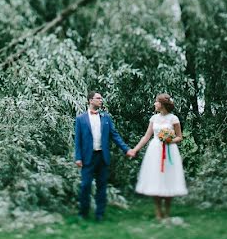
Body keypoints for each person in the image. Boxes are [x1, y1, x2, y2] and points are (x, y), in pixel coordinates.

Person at [74, 91, 135, 220]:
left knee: (102, 186)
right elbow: (77, 140)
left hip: (102, 157)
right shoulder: (80, 119)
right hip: (87, 157)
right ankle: (83, 213)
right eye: (98, 98)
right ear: (90, 100)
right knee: (85, 186)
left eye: (101, 98)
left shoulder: (106, 118)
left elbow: (115, 135)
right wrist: (78, 157)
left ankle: (99, 214)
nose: (101, 100)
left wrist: (126, 149)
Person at [128, 93, 188, 220]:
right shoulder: (154, 119)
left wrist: (169, 140)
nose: (154, 104)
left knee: (168, 179)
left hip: (169, 151)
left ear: (162, 104)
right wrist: (135, 149)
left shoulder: (174, 119)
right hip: (155, 151)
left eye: (156, 102)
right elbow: (146, 136)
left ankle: (167, 212)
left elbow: (179, 137)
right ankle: (158, 213)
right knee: (155, 179)